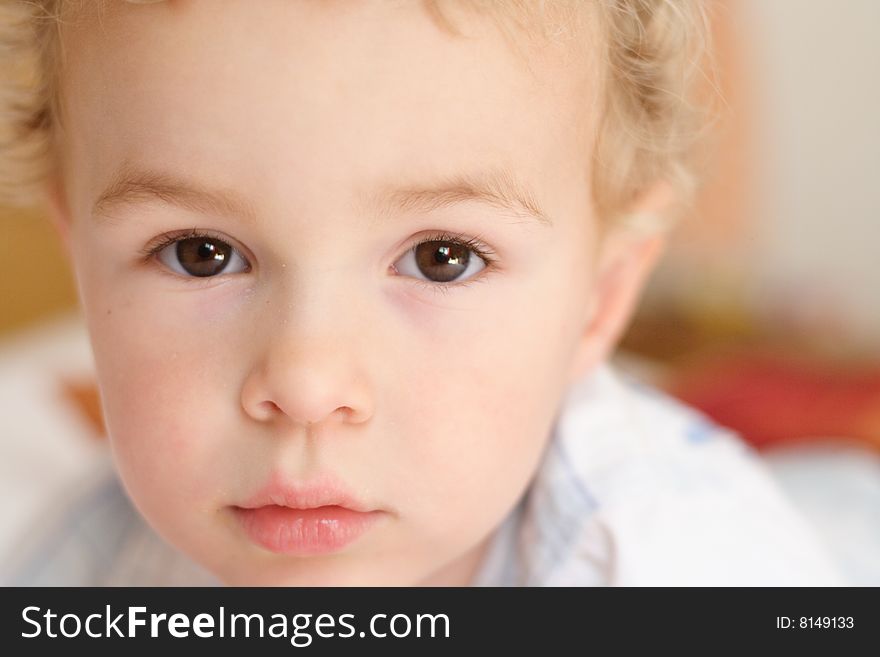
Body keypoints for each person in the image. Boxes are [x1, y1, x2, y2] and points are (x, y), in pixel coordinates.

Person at [0, 0, 843, 586]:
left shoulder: (682, 567)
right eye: (201, 252)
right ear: (79, 259)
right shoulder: (96, 560)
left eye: (443, 258)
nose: (305, 383)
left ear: (602, 293)